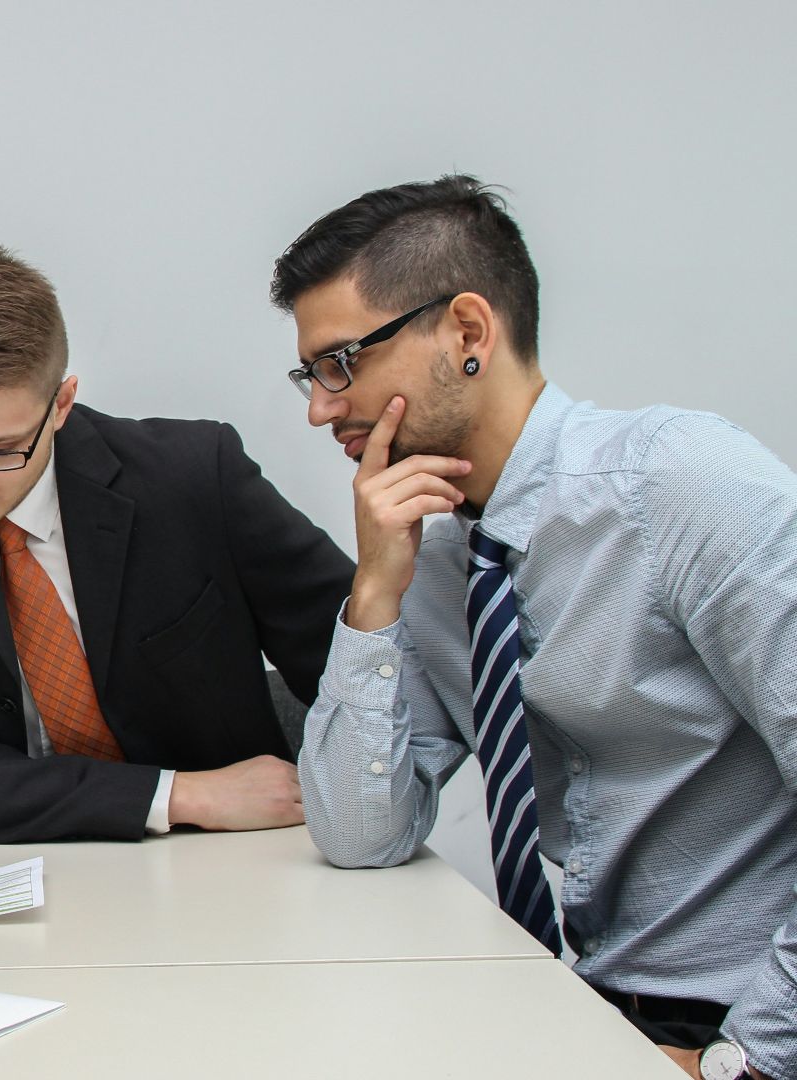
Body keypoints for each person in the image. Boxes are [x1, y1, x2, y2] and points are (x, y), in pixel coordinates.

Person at [275, 175, 794, 1080]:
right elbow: (360, 836)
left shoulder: (682, 484)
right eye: (311, 373)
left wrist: (744, 1062)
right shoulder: (435, 556)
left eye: (342, 362)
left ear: (469, 333)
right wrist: (373, 593)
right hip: (591, 1007)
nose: (321, 406)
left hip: (745, 1022)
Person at [0, 247, 352, 844]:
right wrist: (182, 794)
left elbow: (361, 677)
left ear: (61, 404)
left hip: (226, 860)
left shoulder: (195, 478)